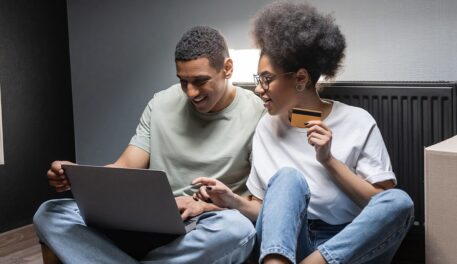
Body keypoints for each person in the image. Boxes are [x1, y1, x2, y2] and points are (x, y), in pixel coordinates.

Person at [192, 2, 415, 264]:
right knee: (287, 177)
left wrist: (328, 160)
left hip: (350, 246)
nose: (258, 89)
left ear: (300, 79)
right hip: (291, 244)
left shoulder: (358, 121)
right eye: (258, 79)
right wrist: (232, 200)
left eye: (266, 79)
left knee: (400, 201)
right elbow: (267, 212)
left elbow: (381, 205)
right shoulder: (266, 127)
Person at [33, 26, 265, 264]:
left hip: (205, 223)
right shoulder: (160, 103)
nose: (191, 92)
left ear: (227, 68)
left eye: (200, 81)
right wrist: (77, 176)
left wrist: (203, 206)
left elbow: (256, 206)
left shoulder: (259, 115)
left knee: (238, 230)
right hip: (148, 219)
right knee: (50, 213)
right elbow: (124, 166)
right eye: (183, 81)